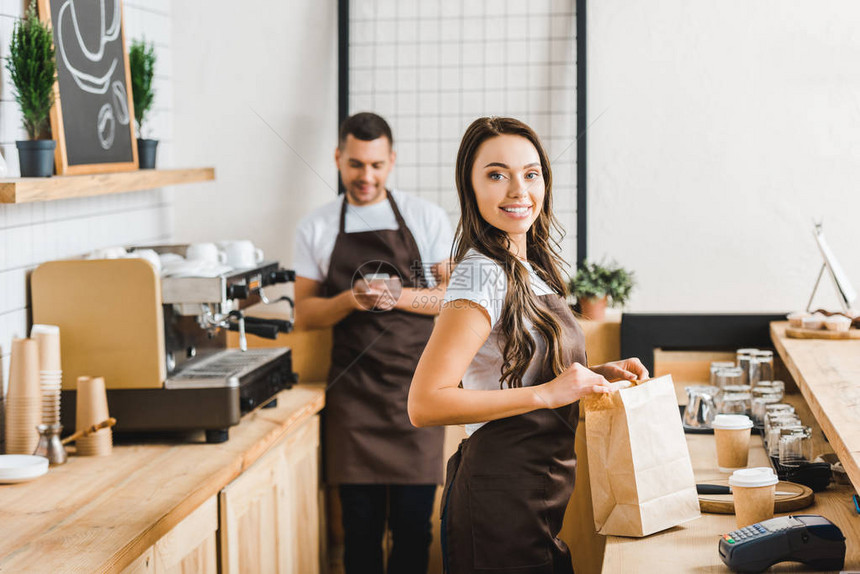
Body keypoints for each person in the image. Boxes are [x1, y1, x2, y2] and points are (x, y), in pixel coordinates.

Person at [408, 117, 648, 574]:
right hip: (499, 498)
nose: (518, 190)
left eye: (531, 173)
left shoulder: (526, 267)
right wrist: (548, 394)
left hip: (534, 495)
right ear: (471, 187)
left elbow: (518, 365)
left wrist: (596, 373)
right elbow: (424, 403)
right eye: (497, 174)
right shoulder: (480, 272)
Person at [293, 112, 453, 574]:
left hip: (415, 396)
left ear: (392, 161)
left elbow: (453, 300)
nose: (366, 177)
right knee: (358, 536)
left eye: (377, 165)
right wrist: (350, 298)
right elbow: (304, 315)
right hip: (354, 400)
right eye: (356, 164)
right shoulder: (317, 227)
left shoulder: (426, 217)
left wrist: (401, 296)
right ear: (338, 159)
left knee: (413, 532)